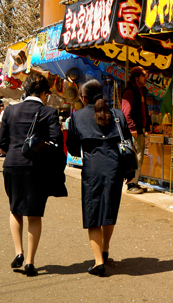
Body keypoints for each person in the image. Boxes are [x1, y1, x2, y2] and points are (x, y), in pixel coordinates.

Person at [0, 72, 66, 277]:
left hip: (12, 165)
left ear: (25, 91)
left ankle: (18, 252)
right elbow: (56, 143)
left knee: (15, 209)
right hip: (37, 168)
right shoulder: (49, 112)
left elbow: (1, 143)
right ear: (44, 93)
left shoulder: (9, 111)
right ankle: (30, 262)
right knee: (34, 215)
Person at [66, 79, 131, 277]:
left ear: (83, 97)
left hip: (92, 169)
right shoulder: (117, 114)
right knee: (109, 210)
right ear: (102, 94)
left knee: (93, 214)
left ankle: (98, 262)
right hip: (115, 168)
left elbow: (72, 147)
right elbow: (127, 140)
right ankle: (105, 249)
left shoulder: (76, 117)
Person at [121, 66, 150, 195]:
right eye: (143, 76)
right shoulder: (130, 91)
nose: (145, 78)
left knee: (139, 156)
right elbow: (126, 112)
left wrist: (147, 127)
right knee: (135, 157)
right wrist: (132, 127)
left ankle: (135, 182)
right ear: (136, 77)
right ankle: (131, 184)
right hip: (134, 130)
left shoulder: (140, 90)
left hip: (140, 129)